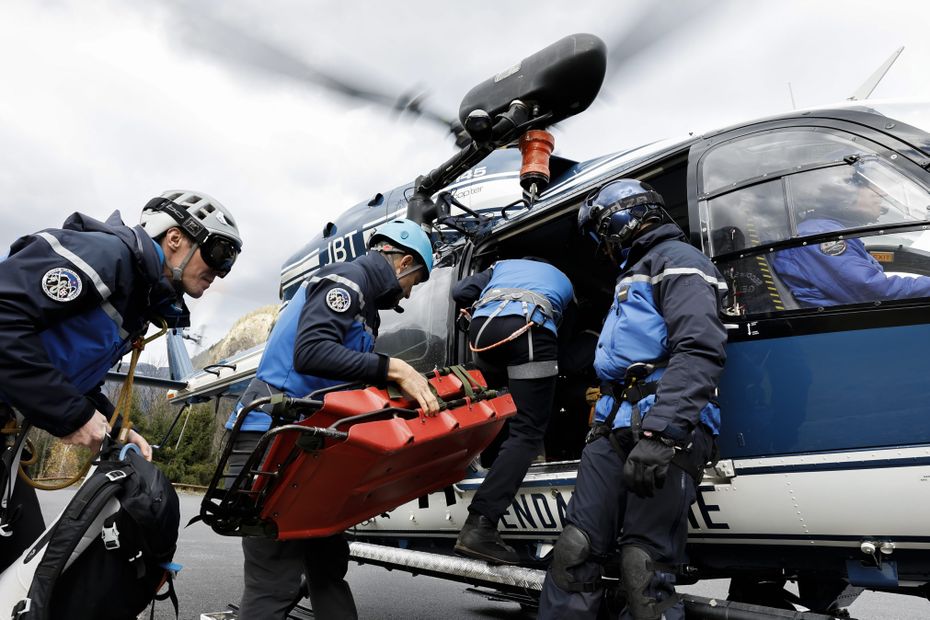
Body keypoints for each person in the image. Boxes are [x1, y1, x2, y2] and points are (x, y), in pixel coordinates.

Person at [0, 190, 242, 571]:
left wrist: (118, 430)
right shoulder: (104, 256)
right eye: (218, 252)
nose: (221, 270)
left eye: (231, 261)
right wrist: (72, 414)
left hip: (6, 438)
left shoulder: (137, 294)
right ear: (175, 238)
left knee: (26, 574)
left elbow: (74, 375)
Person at [225, 219, 439, 620]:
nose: (409, 293)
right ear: (403, 263)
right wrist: (393, 368)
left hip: (305, 443)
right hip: (270, 436)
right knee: (275, 579)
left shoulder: (366, 310)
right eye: (416, 281)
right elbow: (311, 352)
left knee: (326, 564)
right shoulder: (346, 280)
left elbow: (348, 384)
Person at [537, 179, 727, 620]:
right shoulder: (633, 273)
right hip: (612, 428)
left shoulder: (680, 263)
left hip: (664, 426)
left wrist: (663, 433)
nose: (603, 245)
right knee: (574, 550)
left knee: (642, 567)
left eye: (603, 233)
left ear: (617, 223)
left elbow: (698, 349)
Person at [451, 257, 574, 564]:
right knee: (529, 431)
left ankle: (479, 464)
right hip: (528, 328)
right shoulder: (564, 281)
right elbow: (566, 341)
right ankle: (480, 525)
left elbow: (459, 292)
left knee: (496, 403)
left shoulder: (501, 266)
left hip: (482, 334)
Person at [772, 176, 930, 306]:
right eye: (866, 184)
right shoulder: (820, 235)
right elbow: (872, 290)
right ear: (845, 196)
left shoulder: (827, 231)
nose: (880, 193)